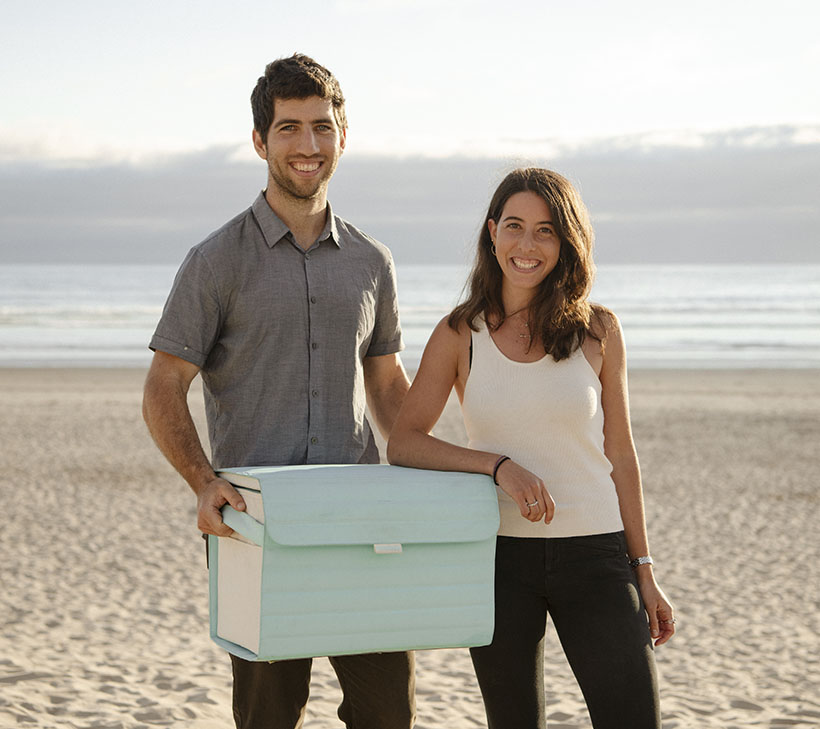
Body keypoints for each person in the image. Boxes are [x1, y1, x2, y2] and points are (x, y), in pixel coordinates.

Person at [142, 54, 415, 729]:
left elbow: (385, 382)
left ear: (342, 139)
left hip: (361, 523)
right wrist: (203, 482)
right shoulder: (216, 260)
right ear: (261, 141)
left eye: (322, 128)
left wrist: (432, 471)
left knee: (388, 710)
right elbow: (162, 386)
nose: (308, 146)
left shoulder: (371, 261)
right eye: (289, 128)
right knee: (269, 714)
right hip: (259, 527)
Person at [387, 167, 675, 729]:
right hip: (498, 558)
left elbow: (622, 454)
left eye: (545, 231)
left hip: (597, 553)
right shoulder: (458, 333)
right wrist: (496, 467)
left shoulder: (599, 331)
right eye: (514, 226)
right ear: (492, 233)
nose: (527, 244)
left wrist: (644, 569)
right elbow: (405, 441)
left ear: (566, 241)